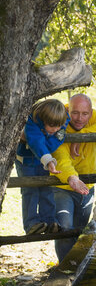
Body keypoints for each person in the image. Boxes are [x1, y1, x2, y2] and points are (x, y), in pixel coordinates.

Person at [51, 93, 96, 262]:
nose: (79, 118)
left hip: (87, 187)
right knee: (65, 229)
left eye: (85, 114)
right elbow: (61, 157)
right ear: (67, 110)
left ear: (91, 113)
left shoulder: (92, 120)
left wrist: (83, 135)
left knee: (80, 230)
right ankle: (65, 268)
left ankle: (77, 264)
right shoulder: (58, 121)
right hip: (63, 186)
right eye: (75, 113)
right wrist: (72, 177)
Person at [15, 99, 70, 235]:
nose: (56, 129)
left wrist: (46, 153)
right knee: (30, 190)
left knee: (46, 189)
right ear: (43, 119)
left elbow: (54, 142)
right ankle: (32, 223)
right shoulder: (32, 122)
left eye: (58, 126)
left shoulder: (60, 123)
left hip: (44, 161)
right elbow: (36, 142)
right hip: (26, 160)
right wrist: (47, 157)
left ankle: (50, 221)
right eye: (52, 126)